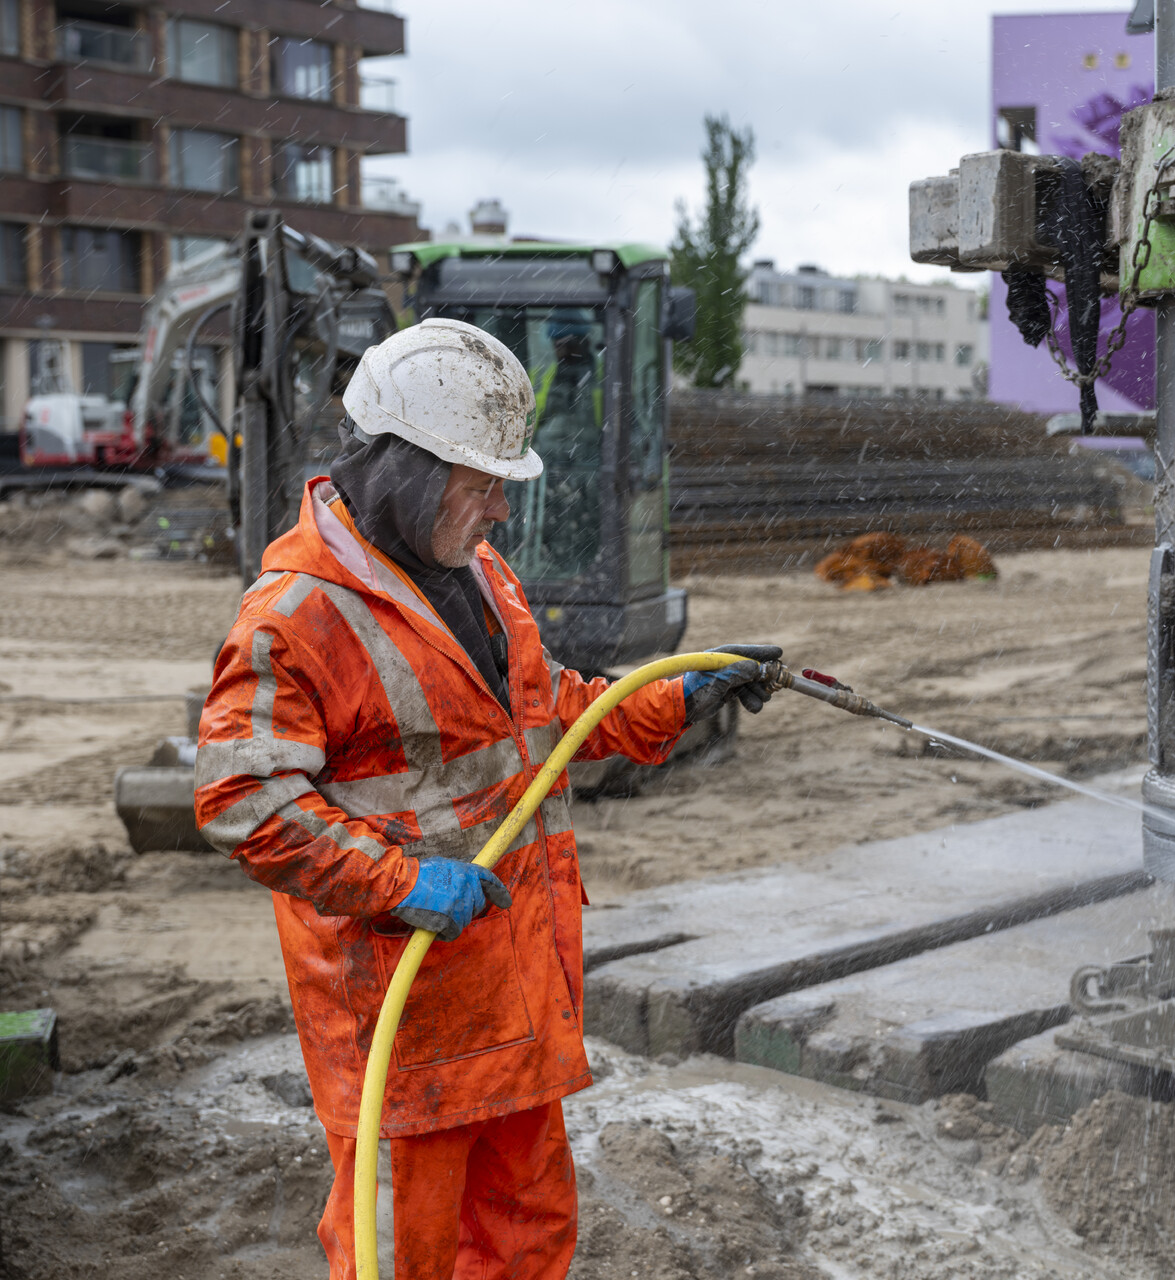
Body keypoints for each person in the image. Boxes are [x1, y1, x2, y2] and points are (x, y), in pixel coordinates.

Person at [194, 318, 778, 1278]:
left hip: (511, 988)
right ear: (408, 469)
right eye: (484, 483)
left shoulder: (474, 572)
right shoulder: (295, 618)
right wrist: (397, 882)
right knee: (405, 1254)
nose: (501, 510)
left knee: (527, 1237)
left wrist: (673, 697)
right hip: (407, 1010)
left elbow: (544, 716)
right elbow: (241, 800)